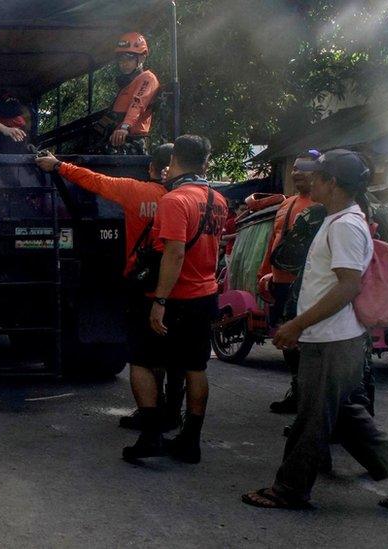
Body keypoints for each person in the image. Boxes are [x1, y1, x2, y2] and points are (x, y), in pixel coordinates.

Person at [241, 149, 388, 510]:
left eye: (318, 175)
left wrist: (297, 324)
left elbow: (347, 286)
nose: (310, 180)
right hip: (333, 337)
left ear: (332, 183)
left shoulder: (344, 226)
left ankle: (290, 489)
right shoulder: (339, 218)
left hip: (331, 339)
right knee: (343, 415)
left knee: (310, 421)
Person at [35, 144, 185, 431]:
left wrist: (57, 166)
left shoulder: (136, 191)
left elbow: (96, 181)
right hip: (185, 286)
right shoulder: (199, 199)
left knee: (143, 355)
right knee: (178, 356)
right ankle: (174, 413)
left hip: (146, 285)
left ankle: (150, 417)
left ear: (152, 168)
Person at [123, 135, 228, 464]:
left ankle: (151, 434)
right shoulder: (218, 200)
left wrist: (161, 301)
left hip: (175, 296)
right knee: (195, 366)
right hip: (206, 293)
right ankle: (190, 440)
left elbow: (175, 252)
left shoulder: (175, 200)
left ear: (176, 159)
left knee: (141, 361)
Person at [259, 152, 319, 414]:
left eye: (305, 168)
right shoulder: (288, 203)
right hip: (280, 283)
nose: (297, 172)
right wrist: (265, 274)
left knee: (307, 346)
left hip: (306, 287)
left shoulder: (323, 206)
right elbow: (274, 241)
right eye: (294, 168)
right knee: (288, 343)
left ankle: (309, 401)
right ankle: (297, 391)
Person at [104, 32, 159, 155]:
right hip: (116, 138)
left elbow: (137, 103)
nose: (124, 63)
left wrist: (124, 128)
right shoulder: (127, 83)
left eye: (129, 58)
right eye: (121, 59)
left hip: (131, 141)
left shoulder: (147, 78)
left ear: (142, 58)